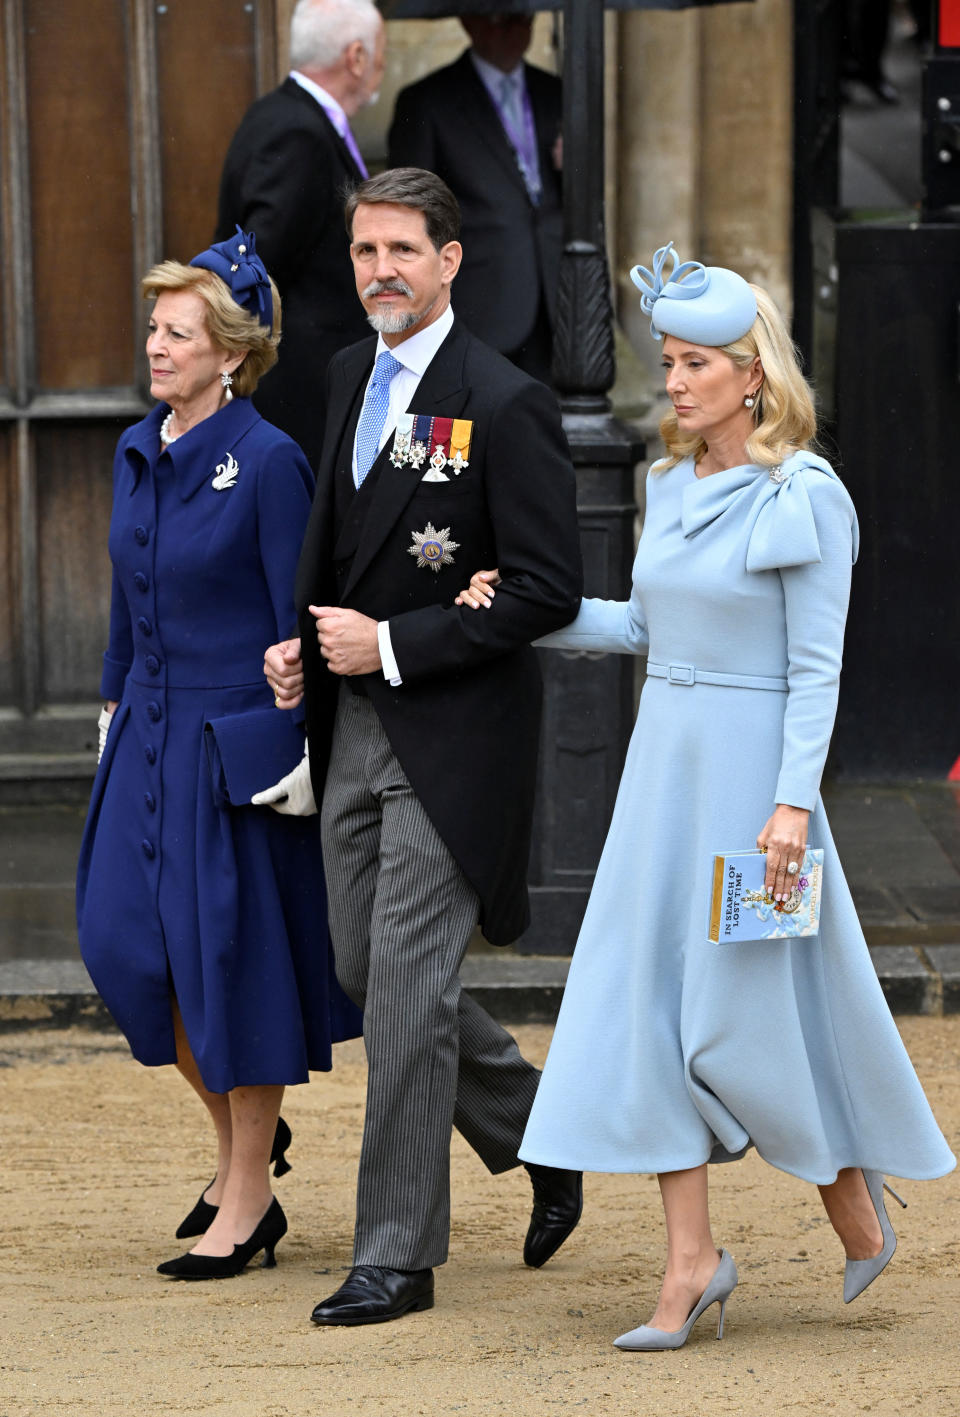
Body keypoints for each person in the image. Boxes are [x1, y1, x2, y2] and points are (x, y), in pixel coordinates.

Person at [457, 243, 956, 1350]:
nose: (673, 382)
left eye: (694, 363)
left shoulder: (807, 495)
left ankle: (850, 1197)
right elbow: (642, 627)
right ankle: (691, 1265)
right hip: (663, 774)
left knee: (749, 1023)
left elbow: (818, 667)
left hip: (752, 791)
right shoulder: (667, 482)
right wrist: (526, 609)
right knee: (655, 1016)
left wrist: (790, 804)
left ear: (752, 374)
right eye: (668, 361)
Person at [256, 167, 584, 1326]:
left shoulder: (506, 399)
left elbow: (548, 586)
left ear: (452, 260)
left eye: (401, 249)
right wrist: (302, 647)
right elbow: (337, 547)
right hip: (351, 728)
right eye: (363, 252)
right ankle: (544, 1133)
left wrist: (395, 642)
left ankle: (397, 1253)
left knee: (402, 990)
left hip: (458, 739)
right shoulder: (348, 373)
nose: (380, 271)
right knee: (362, 970)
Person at [76, 228, 362, 1282]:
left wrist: (297, 733)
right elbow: (122, 594)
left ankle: (247, 1191)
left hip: (232, 739)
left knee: (225, 970)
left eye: (178, 332)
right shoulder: (136, 445)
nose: (156, 345)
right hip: (144, 724)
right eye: (154, 327)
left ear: (231, 354)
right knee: (122, 946)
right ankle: (249, 1144)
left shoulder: (271, 460)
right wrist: (110, 707)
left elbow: (300, 611)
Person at [214, 0, 385, 465]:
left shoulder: (288, 115)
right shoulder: (298, 130)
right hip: (297, 390)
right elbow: (258, 270)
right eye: (380, 50)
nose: (383, 66)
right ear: (356, 57)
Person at [387, 13, 562, 386]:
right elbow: (409, 214)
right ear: (471, 22)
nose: (516, 29)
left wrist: (573, 167)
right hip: (478, 302)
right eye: (502, 20)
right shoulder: (428, 101)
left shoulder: (557, 92)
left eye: (525, 19)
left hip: (555, 302)